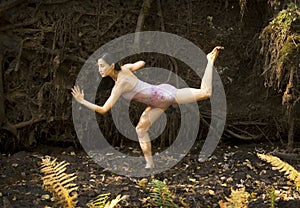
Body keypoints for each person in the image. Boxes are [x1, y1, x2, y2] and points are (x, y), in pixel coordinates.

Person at [71, 46, 223, 169]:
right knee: (140, 129)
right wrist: (134, 66)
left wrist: (82, 101)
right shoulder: (125, 69)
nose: (100, 69)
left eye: (102, 66)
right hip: (158, 102)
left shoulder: (120, 84)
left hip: (164, 96)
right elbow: (142, 63)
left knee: (205, 93)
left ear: (111, 66)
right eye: (99, 66)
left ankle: (209, 60)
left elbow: (104, 109)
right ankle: (150, 163)